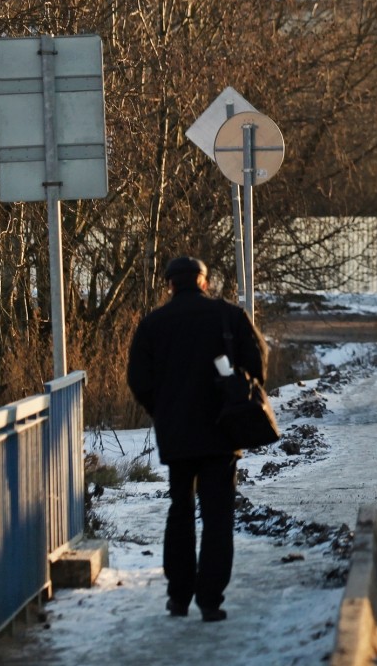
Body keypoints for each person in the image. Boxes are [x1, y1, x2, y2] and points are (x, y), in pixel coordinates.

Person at [127, 256, 268, 623]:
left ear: (170, 285)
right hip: (223, 432)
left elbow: (138, 378)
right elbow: (258, 362)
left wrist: (162, 409)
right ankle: (210, 600)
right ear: (205, 282)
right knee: (219, 517)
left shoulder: (153, 323)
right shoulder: (228, 316)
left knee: (181, 511)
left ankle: (178, 597)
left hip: (176, 434)